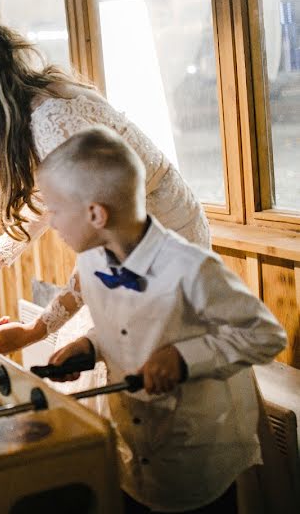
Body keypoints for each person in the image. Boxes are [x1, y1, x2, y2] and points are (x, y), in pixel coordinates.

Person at [0, 6, 210, 353]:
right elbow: (48, 200)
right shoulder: (23, 115)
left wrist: (32, 332)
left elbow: (104, 250)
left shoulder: (52, 120)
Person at [35, 127, 286, 513]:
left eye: (54, 210)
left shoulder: (191, 268)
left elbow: (266, 336)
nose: (51, 224)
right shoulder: (90, 260)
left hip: (194, 461)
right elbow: (119, 323)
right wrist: (91, 345)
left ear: (95, 214)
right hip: (131, 455)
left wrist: (186, 358)